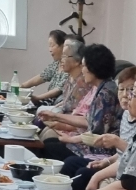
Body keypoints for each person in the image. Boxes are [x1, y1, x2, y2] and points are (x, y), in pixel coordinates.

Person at [41, 43, 121, 174]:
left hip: (101, 151)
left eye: (84, 66)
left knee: (51, 148)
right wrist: (55, 116)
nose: (82, 70)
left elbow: (96, 133)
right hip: (91, 144)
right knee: (50, 143)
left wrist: (70, 139)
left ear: (94, 67)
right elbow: (89, 120)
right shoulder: (104, 87)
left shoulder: (106, 94)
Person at [34, 36, 92, 133]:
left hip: (73, 126)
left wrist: (58, 120)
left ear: (77, 61)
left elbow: (78, 115)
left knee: (47, 132)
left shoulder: (83, 83)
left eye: (65, 56)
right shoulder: (70, 78)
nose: (61, 59)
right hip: (64, 117)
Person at [22, 28, 67, 102]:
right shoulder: (55, 64)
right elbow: (42, 76)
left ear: (63, 46)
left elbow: (58, 89)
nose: (50, 49)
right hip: (48, 101)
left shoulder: (68, 67)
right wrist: (22, 86)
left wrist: (37, 98)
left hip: (56, 104)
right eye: (49, 46)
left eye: (52, 45)